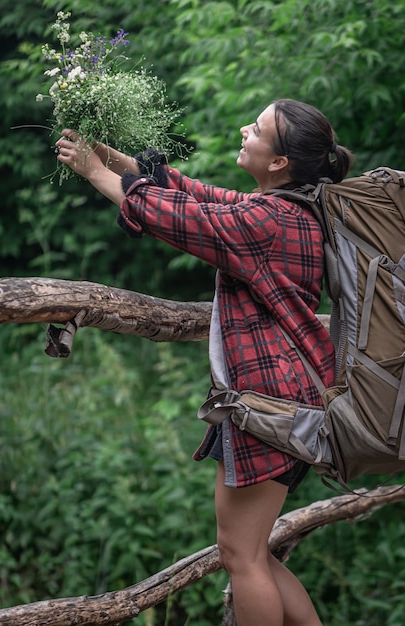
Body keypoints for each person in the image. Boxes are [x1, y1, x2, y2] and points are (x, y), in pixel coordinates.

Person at [56, 98, 353, 626]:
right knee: (251, 549)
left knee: (241, 557)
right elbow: (192, 194)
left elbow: (170, 216)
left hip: (269, 405)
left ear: (280, 161)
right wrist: (109, 155)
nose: (246, 128)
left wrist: (94, 171)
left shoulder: (267, 220)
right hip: (290, 401)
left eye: (257, 129)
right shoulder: (291, 210)